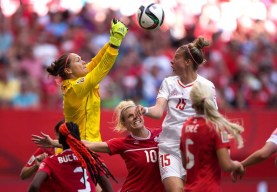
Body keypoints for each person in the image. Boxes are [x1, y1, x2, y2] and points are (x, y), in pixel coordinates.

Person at [45, 18, 128, 191]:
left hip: (88, 148)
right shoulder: (74, 88)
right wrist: (115, 45)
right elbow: (100, 71)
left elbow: (96, 62)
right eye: (78, 60)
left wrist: (112, 39)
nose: (84, 62)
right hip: (73, 153)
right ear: (68, 71)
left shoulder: (79, 80)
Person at [136, 36, 218, 191]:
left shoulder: (206, 86)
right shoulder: (168, 82)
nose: (171, 61)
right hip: (169, 147)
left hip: (194, 148)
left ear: (188, 62)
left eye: (176, 58)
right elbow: (158, 111)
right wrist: (144, 110)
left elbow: (213, 118)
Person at [32, 100, 166, 192]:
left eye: (137, 114)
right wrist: (54, 143)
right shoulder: (123, 144)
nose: (135, 118)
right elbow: (88, 145)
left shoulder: (162, 134)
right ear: (124, 124)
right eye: (130, 116)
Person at [179, 81, 245, 192]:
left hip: (189, 188)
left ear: (192, 103)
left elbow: (185, 163)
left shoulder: (186, 125)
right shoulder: (215, 127)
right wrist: (238, 165)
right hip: (209, 188)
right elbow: (226, 165)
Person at [28, 121, 115, 192]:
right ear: (79, 138)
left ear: (59, 141)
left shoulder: (50, 161)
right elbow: (109, 190)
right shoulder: (90, 159)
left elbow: (34, 186)